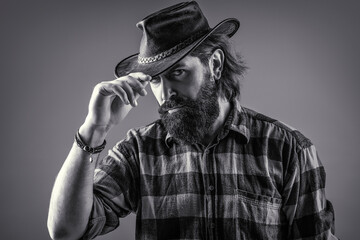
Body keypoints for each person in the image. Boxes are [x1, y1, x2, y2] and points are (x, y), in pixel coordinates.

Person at [47, 1, 337, 239]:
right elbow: (66, 231)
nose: (165, 94)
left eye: (177, 73)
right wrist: (94, 129)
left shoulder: (288, 149)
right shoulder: (139, 150)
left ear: (215, 64)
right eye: (155, 80)